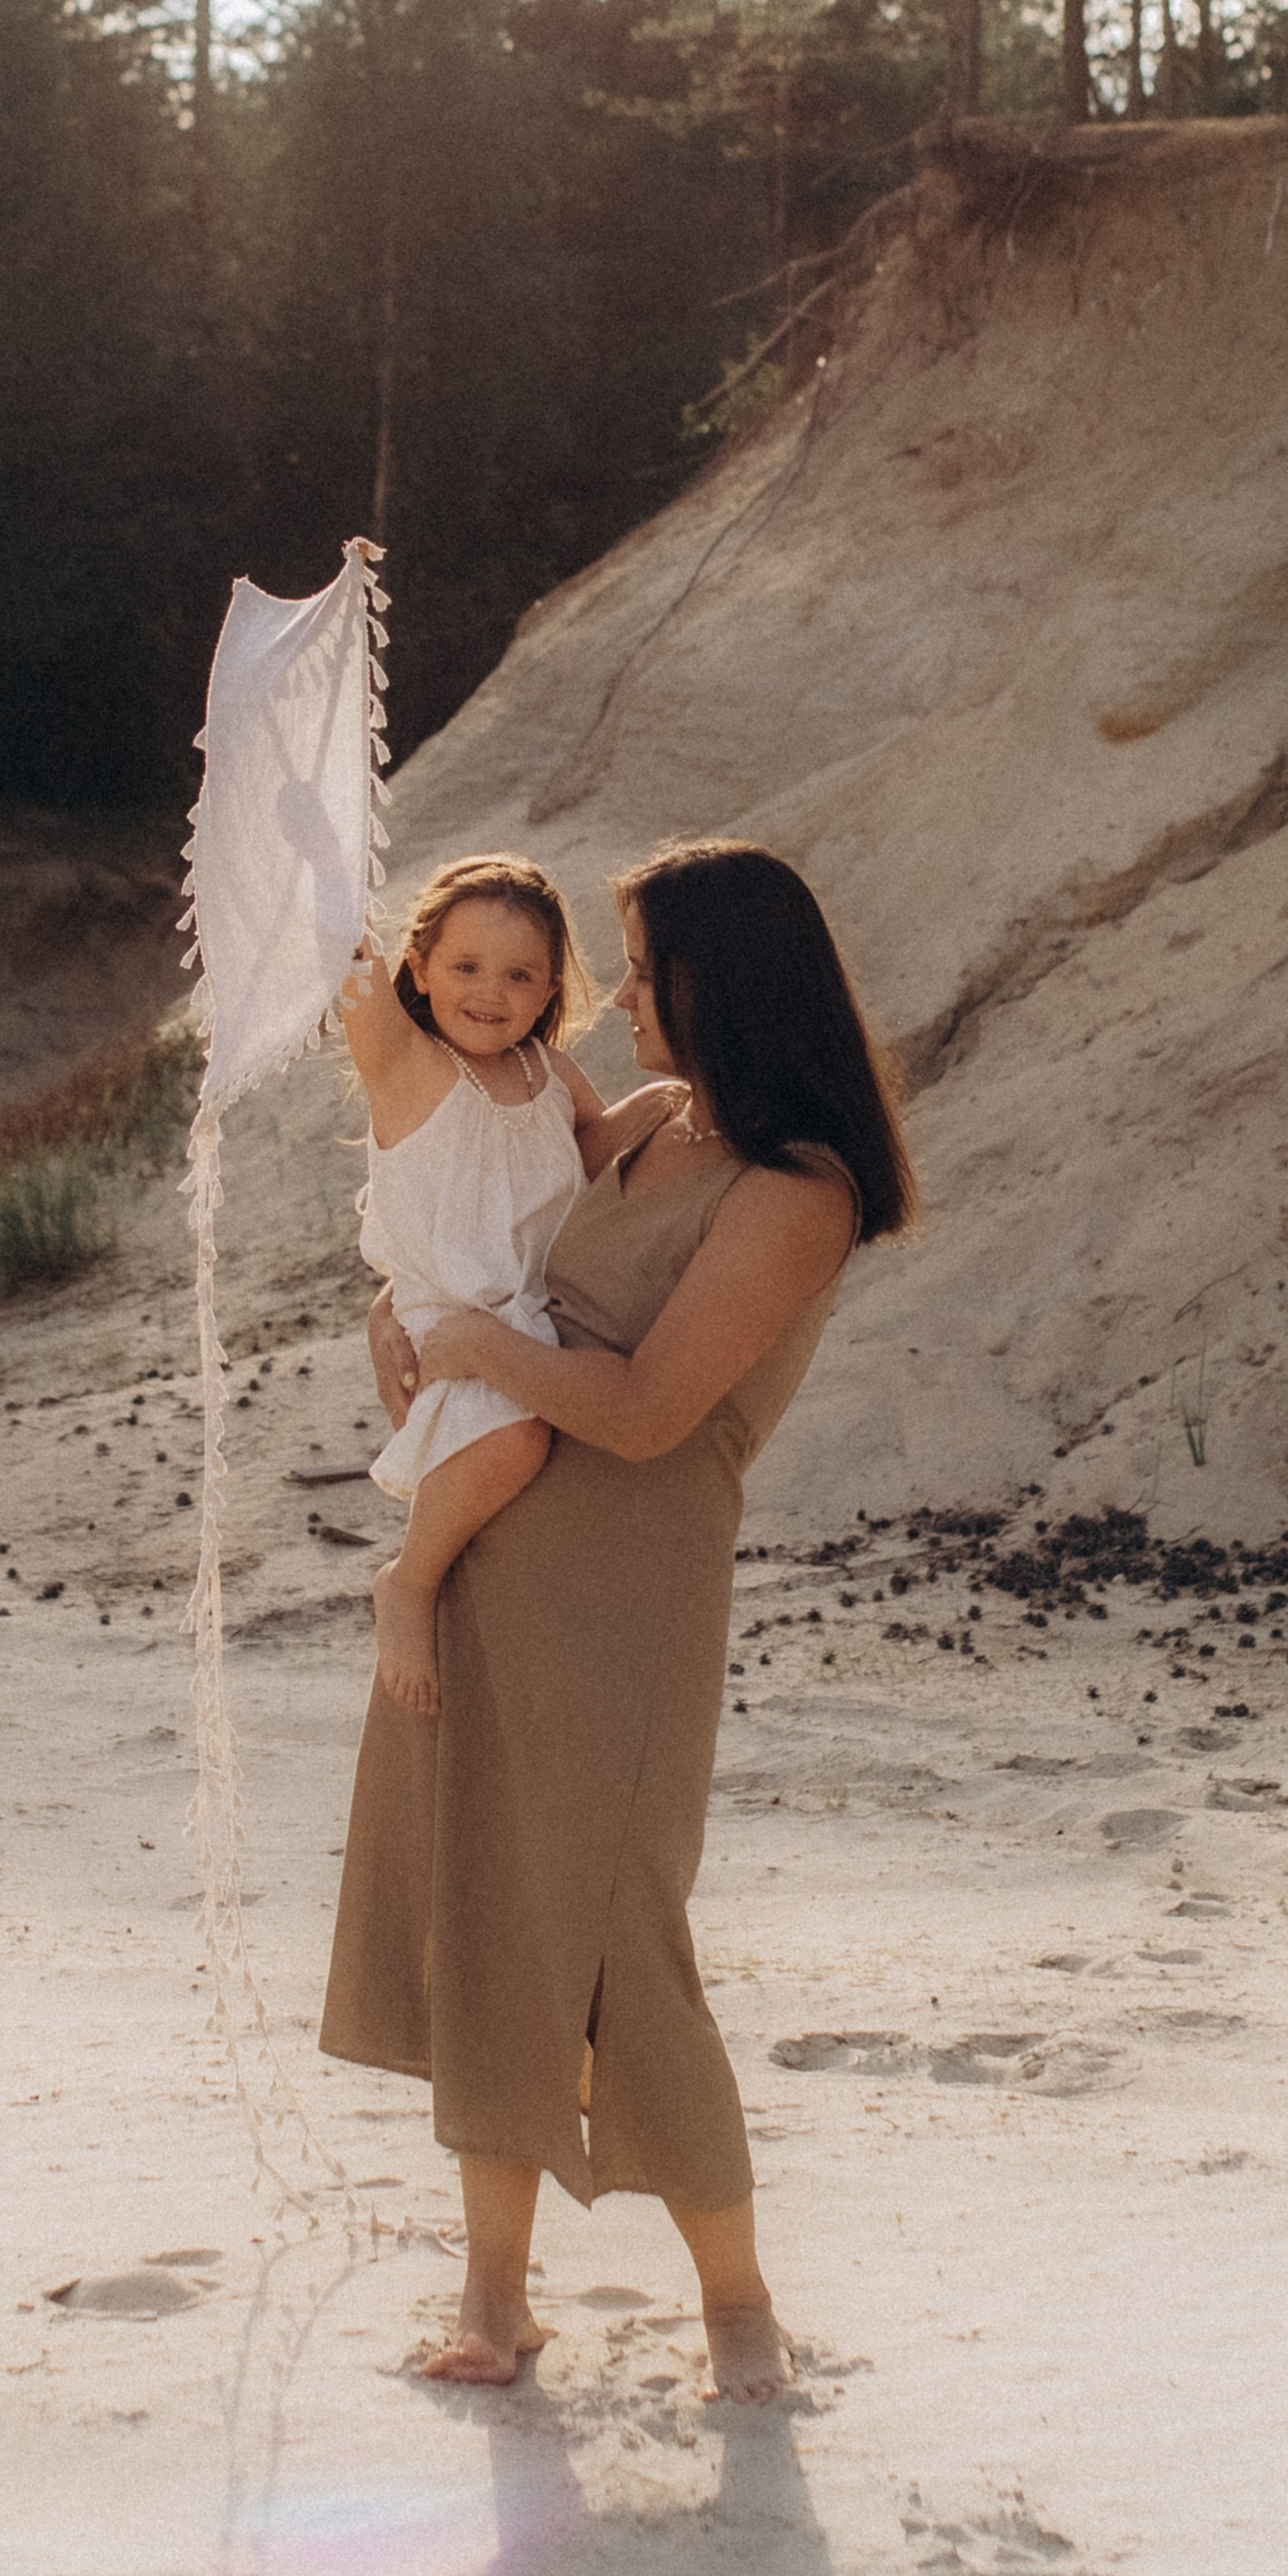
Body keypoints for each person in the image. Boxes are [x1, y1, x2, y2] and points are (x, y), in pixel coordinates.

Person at [320, 836, 916, 2401]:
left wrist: (469, 1351)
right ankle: (497, 2303)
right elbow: (487, 1248)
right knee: (485, 1915)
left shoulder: (799, 1194)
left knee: (622, 1942)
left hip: (627, 1592)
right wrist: (401, 1312)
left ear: (728, 986)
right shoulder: (641, 1122)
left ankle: (739, 2316)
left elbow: (651, 1410)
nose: (621, 998)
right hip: (490, 1552)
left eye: (648, 970)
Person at [339, 857, 611, 1716]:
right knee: (514, 1443)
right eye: (464, 967)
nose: (491, 992)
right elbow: (343, 964)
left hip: (537, 1311)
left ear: (548, 991)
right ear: (417, 969)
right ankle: (407, 1579)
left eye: (520, 974)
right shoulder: (410, 1068)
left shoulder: (554, 1076)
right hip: (447, 1309)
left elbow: (608, 1163)